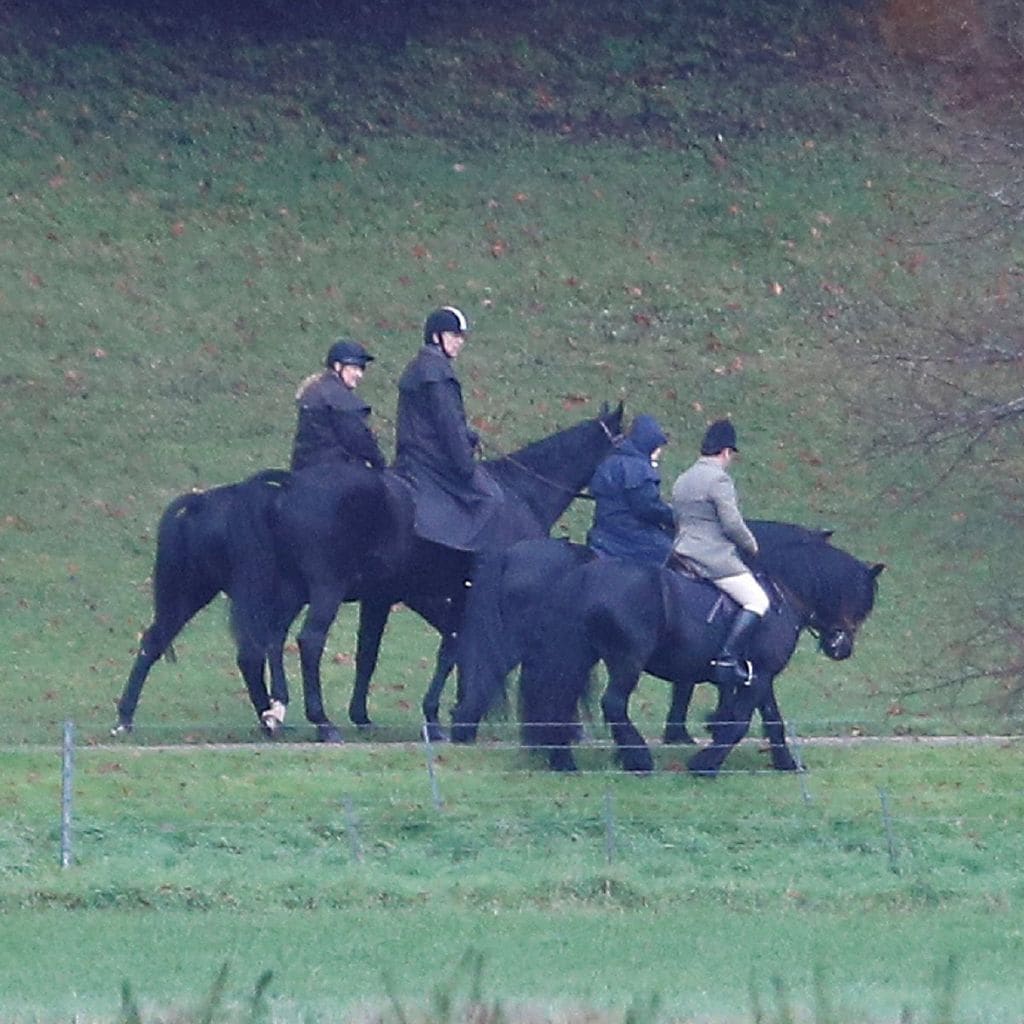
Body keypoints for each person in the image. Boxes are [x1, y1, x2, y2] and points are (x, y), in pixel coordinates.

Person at [394, 306, 504, 551]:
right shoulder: (437, 373)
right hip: (432, 459)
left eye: (460, 337)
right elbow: (448, 424)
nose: (459, 343)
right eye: (454, 336)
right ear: (436, 337)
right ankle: (458, 550)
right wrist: (465, 464)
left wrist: (469, 436)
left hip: (413, 454)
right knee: (491, 497)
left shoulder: (420, 367)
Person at [670, 419, 769, 686]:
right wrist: (752, 546)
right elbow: (732, 523)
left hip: (680, 553)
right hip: (711, 558)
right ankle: (727, 659)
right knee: (758, 601)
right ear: (725, 451)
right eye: (730, 455)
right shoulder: (718, 479)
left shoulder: (683, 478)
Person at [586, 413, 674, 566]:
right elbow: (648, 508)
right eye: (657, 447)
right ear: (648, 444)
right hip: (631, 537)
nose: (659, 453)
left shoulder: (611, 461)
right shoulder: (638, 469)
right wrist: (674, 516)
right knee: (672, 553)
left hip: (602, 533)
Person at [290, 338, 387, 472]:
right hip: (333, 472)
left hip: (303, 469)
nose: (359, 375)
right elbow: (361, 441)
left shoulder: (315, 390)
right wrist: (380, 465)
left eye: (362, 369)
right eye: (354, 368)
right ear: (337, 366)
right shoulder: (340, 399)